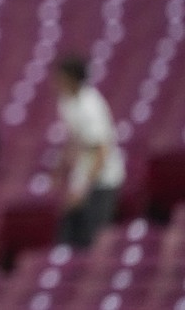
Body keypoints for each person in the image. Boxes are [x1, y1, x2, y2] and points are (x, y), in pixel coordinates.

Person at [54, 54, 125, 249]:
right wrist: (60, 168)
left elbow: (102, 151)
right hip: (83, 172)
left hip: (103, 178)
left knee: (92, 236)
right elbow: (74, 139)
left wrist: (84, 188)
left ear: (73, 78)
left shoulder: (90, 106)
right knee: (68, 232)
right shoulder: (67, 102)